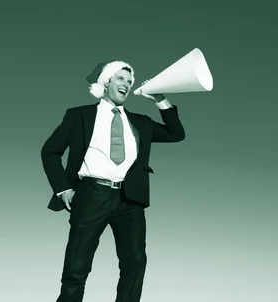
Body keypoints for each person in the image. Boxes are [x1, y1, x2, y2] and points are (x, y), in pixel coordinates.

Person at [40, 60, 186, 302]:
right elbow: (50, 151)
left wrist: (160, 99)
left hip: (130, 200)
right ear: (106, 81)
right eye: (120, 79)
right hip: (91, 195)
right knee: (77, 267)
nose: (127, 85)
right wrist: (63, 188)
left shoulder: (140, 122)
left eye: (130, 82)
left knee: (135, 264)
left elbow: (176, 134)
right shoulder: (79, 116)